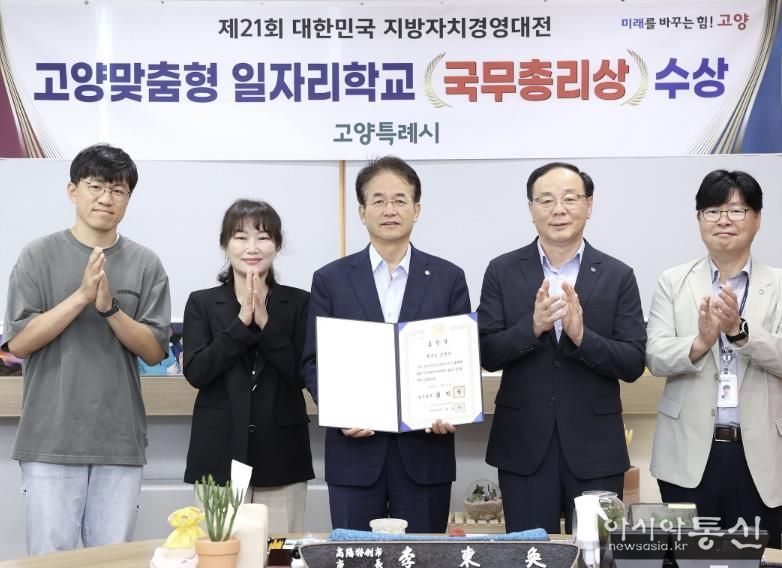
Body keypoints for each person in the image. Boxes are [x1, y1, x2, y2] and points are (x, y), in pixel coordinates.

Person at [1, 143, 171, 555]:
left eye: (118, 190)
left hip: (119, 440)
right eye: (95, 186)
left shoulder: (146, 263)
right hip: (50, 438)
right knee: (50, 559)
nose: (106, 198)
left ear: (128, 198)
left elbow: (154, 351)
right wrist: (80, 297)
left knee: (113, 559)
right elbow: (18, 344)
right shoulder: (38, 255)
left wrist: (110, 308)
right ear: (72, 190)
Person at [302, 156, 471, 532]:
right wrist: (340, 412)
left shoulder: (448, 278)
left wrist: (452, 409)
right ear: (362, 212)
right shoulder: (331, 279)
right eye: (378, 201)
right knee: (356, 554)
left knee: (422, 556)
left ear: (416, 209)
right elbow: (313, 361)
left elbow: (461, 359)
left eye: (399, 200)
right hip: (354, 454)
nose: (389, 210)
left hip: (425, 453)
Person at [478, 162, 646, 534]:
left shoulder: (618, 275)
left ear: (589, 205)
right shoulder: (502, 271)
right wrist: (532, 327)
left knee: (597, 554)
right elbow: (486, 352)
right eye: (546, 200)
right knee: (531, 554)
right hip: (523, 444)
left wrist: (582, 336)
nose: (558, 210)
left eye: (570, 198)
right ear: (531, 208)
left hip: (596, 448)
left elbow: (633, 362)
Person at [647, 170, 782, 548]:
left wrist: (740, 332)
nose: (724, 220)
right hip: (687, 455)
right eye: (712, 211)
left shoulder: (779, 284)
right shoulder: (673, 281)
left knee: (760, 558)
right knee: (688, 557)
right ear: (699, 219)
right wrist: (700, 342)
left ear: (757, 218)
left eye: (737, 210)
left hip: (762, 457)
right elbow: (655, 355)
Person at [182, 199, 313, 533]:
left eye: (263, 237)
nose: (252, 247)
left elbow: (300, 373)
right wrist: (241, 323)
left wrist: (266, 322)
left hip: (282, 454)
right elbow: (197, 371)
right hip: (218, 454)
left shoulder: (299, 302)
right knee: (220, 550)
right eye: (241, 237)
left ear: (277, 246)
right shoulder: (202, 303)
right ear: (225, 245)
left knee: (279, 552)